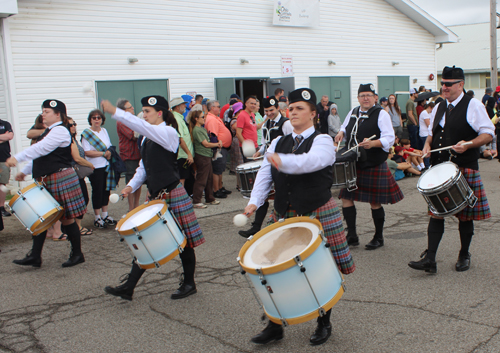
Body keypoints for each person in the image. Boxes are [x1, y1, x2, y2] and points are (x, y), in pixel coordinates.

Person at [243, 88, 355, 346]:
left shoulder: (323, 140)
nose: (292, 112)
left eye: (299, 108)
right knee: (272, 268)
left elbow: (310, 162)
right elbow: (264, 173)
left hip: (317, 209)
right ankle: (274, 326)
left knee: (321, 270)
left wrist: (279, 160)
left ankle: (324, 322)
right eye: (290, 108)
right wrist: (254, 202)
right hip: (285, 211)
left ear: (314, 114)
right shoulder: (277, 142)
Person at [101, 95, 205, 300]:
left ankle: (189, 283)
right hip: (157, 195)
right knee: (145, 239)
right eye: (143, 111)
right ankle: (129, 287)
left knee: (184, 241)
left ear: (160, 113)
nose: (143, 114)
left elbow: (140, 126)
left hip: (173, 193)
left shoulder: (167, 131)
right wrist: (130, 186)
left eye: (147, 111)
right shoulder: (147, 137)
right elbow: (144, 166)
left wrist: (115, 111)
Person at [408, 66, 495, 274]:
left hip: (463, 166)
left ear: (461, 84)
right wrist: (427, 146)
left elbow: (488, 134)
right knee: (436, 213)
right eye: (443, 83)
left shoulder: (473, 105)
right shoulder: (439, 106)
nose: (444, 87)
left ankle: (464, 254)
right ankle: (430, 259)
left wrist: (469, 143)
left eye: (448, 84)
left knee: (465, 216)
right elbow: (431, 133)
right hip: (440, 167)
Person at [6, 99, 86, 268]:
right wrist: (25, 171)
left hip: (60, 178)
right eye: (43, 111)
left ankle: (77, 254)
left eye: (47, 111)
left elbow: (40, 149)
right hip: (50, 178)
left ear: (58, 114)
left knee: (66, 219)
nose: (43, 114)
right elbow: (40, 156)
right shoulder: (49, 131)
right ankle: (35, 256)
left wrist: (17, 158)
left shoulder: (60, 131)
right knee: (41, 215)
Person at [335, 84, 404, 250]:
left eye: (369, 95)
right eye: (362, 95)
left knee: (375, 201)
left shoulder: (381, 113)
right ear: (358, 98)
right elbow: (345, 126)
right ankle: (352, 235)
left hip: (373, 162)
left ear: (374, 97)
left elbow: (389, 138)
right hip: (354, 162)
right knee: (346, 198)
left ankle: (378, 236)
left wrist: (373, 143)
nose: (365, 98)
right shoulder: (353, 112)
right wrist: (341, 133)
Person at [238, 96, 292, 238]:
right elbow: (264, 144)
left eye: (271, 110)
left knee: (282, 195)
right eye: (266, 110)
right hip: (269, 164)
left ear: (278, 109)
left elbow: (293, 143)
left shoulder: (285, 124)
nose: (269, 113)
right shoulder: (266, 124)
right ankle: (256, 227)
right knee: (264, 194)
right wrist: (259, 152)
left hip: (283, 166)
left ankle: (283, 225)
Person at [81, 109, 117, 229]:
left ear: (102, 119)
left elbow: (109, 145)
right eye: (94, 118)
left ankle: (105, 215)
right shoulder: (86, 134)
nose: (96, 120)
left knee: (106, 190)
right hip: (95, 167)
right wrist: (102, 154)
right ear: (90, 120)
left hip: (106, 165)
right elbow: (87, 152)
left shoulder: (104, 131)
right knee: (97, 191)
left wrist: (108, 153)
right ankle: (97, 217)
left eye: (99, 117)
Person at [188, 110, 222, 209]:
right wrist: (217, 144)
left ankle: (209, 198)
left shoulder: (201, 129)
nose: (204, 118)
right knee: (201, 179)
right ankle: (197, 200)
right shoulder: (196, 130)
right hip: (202, 156)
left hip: (207, 155)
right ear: (196, 119)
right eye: (202, 117)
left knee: (209, 178)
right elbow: (205, 144)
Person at [68, 117, 94, 236]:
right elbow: (77, 158)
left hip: (78, 175)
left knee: (83, 199)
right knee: (81, 199)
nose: (73, 126)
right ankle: (77, 227)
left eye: (74, 124)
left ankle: (76, 225)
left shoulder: (74, 139)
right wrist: (89, 164)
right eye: (70, 125)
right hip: (73, 174)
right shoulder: (68, 140)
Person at [116, 99, 142, 212]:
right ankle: (131, 208)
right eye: (130, 107)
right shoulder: (121, 121)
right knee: (131, 180)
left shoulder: (132, 120)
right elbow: (133, 135)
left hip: (137, 153)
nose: (133, 108)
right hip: (129, 155)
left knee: (139, 181)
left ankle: (136, 205)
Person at [205, 100, 232, 198]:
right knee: (217, 170)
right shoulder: (211, 119)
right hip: (218, 148)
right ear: (212, 108)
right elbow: (213, 135)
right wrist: (216, 147)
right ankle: (216, 190)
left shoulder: (215, 118)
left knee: (220, 170)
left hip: (222, 147)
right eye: (218, 106)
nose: (220, 108)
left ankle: (220, 187)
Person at [170, 97, 195, 195]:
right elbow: (180, 139)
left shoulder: (180, 118)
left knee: (187, 177)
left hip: (185, 155)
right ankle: (181, 200)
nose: (185, 105)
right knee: (182, 178)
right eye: (182, 104)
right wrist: (189, 154)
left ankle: (186, 197)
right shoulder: (176, 119)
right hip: (182, 155)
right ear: (177, 107)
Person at [236, 96, 258, 162]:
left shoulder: (252, 114)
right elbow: (238, 133)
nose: (253, 105)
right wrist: (245, 145)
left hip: (255, 144)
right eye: (251, 103)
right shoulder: (242, 115)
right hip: (248, 147)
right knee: (250, 166)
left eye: (255, 104)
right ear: (246, 104)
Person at [0, 116, 13, 217]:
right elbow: (5, 137)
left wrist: (5, 137)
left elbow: (9, 136)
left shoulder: (5, 124)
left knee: (2, 184)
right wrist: (2, 137)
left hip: (3, 159)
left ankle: (1, 208)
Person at [419, 102, 435, 168]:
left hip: (427, 133)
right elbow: (429, 124)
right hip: (424, 134)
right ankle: (427, 165)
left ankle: (428, 164)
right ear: (429, 107)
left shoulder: (429, 113)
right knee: (426, 149)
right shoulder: (424, 113)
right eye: (432, 109)